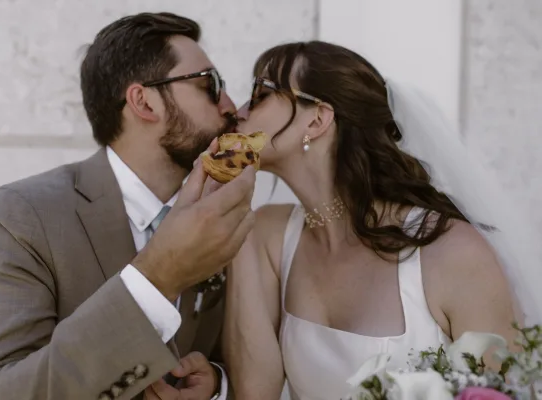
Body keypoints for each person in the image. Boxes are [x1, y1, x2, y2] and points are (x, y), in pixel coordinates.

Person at [0, 12, 255, 400]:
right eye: (209, 85)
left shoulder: (226, 214)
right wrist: (156, 279)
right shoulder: (19, 217)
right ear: (144, 101)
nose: (231, 106)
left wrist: (216, 386)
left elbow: (233, 356)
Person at [222, 40, 539, 399]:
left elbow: (506, 392)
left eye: (260, 93)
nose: (239, 110)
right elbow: (253, 393)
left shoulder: (450, 252)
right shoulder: (264, 236)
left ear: (317, 118)